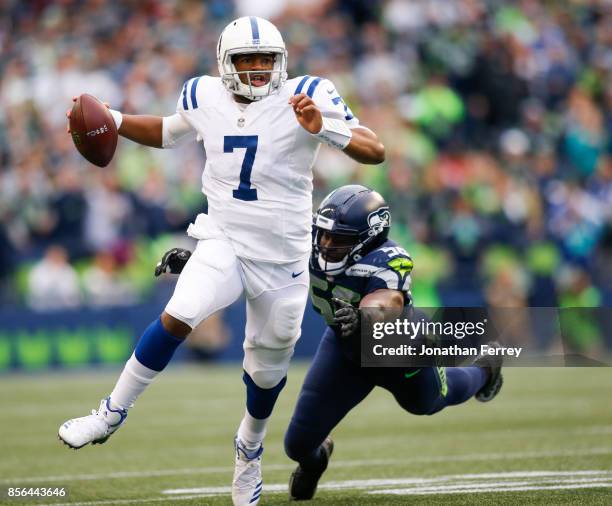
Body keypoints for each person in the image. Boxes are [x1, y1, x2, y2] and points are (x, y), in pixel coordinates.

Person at [57, 17, 385, 506]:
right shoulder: (203, 95)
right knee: (180, 312)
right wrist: (117, 119)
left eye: (265, 59)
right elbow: (169, 132)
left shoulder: (309, 93)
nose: (256, 68)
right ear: (224, 63)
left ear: (281, 62)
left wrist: (325, 129)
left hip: (286, 258)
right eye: (246, 59)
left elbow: (375, 149)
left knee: (268, 369)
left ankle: (248, 451)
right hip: (224, 238)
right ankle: (109, 413)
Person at [154, 184, 504, 501]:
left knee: (430, 401)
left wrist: (367, 318)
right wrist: (200, 265)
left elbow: (387, 303)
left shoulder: (388, 260)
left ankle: (484, 369)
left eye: (338, 240)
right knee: (298, 444)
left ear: (369, 239)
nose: (324, 245)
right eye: (323, 236)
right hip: (345, 348)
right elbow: (250, 259)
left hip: (398, 350)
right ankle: (318, 458)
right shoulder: (304, 240)